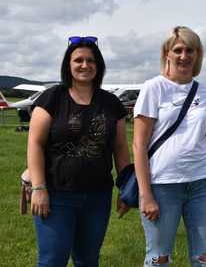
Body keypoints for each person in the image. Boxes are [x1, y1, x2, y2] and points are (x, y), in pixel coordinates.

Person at [133, 26, 206, 267]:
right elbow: (139, 145)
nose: (184, 56)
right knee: (159, 258)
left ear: (197, 54)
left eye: (190, 50)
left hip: (203, 183)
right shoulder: (153, 88)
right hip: (162, 184)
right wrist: (145, 194)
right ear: (166, 54)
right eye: (178, 50)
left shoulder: (203, 89)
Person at [28, 36, 130, 266]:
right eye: (78, 60)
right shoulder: (52, 97)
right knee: (52, 260)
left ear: (98, 65)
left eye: (91, 60)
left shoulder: (111, 103)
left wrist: (125, 188)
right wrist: (38, 188)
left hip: (98, 196)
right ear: (68, 65)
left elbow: (121, 149)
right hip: (56, 194)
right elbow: (35, 143)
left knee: (88, 260)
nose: (85, 65)